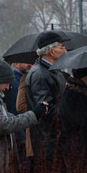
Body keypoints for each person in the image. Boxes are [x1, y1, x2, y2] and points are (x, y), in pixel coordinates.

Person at [25, 31, 69, 162]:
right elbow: (46, 109)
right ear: (51, 51)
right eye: (62, 47)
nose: (65, 51)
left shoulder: (53, 71)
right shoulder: (39, 74)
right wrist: (70, 115)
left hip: (56, 138)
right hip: (47, 141)